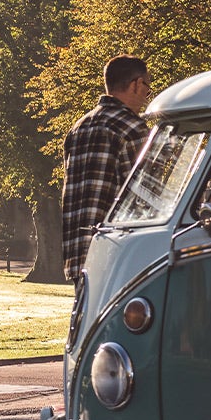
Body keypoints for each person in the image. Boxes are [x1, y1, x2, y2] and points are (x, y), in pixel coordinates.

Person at [61, 55, 152, 281]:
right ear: (136, 84)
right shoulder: (132, 128)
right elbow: (146, 196)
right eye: (148, 87)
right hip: (116, 255)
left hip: (78, 252)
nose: (147, 96)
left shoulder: (77, 129)